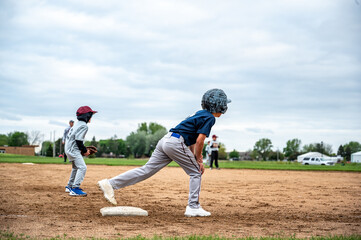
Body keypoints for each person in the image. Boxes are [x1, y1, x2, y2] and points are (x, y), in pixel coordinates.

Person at [97, 88, 231, 217]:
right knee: (196, 172)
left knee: (146, 170)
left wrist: (194, 158)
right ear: (218, 105)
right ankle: (193, 207)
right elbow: (200, 140)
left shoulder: (199, 113)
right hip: (176, 143)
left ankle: (110, 183)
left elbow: (192, 142)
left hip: (166, 140)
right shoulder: (210, 117)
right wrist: (199, 160)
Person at [64, 106, 97, 196]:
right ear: (86, 116)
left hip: (68, 149)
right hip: (73, 150)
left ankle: (69, 186)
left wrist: (81, 149)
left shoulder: (77, 125)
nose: (91, 117)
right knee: (82, 167)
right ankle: (75, 188)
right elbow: (78, 140)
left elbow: (75, 140)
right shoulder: (83, 126)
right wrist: (84, 150)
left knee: (75, 168)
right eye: (90, 115)